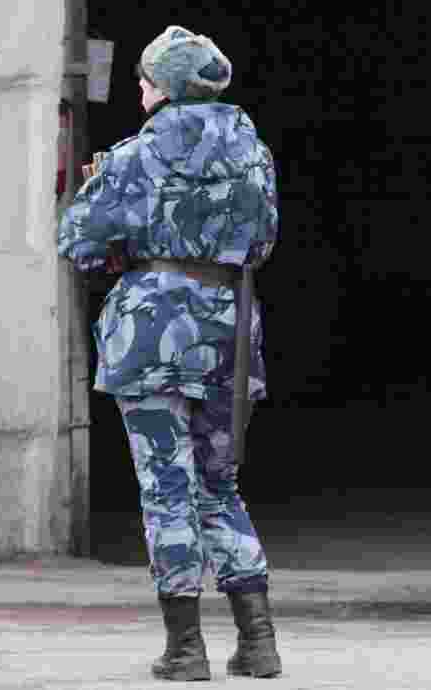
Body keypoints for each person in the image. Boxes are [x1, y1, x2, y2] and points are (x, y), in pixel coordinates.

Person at [58, 26, 281, 680]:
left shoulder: (136, 154)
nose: (139, 86)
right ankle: (259, 643)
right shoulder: (254, 153)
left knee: (166, 488)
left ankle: (186, 649)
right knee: (219, 482)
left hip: (152, 333)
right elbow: (262, 242)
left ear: (165, 86)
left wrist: (127, 250)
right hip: (228, 331)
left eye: (145, 77)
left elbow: (78, 242)